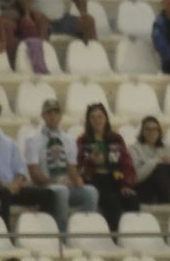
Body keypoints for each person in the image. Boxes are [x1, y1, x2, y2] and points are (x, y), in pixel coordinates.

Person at [22, 97, 100, 229]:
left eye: (56, 112)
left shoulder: (68, 139)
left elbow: (71, 167)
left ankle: (84, 231)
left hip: (64, 184)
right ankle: (61, 235)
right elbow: (34, 171)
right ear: (43, 116)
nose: (53, 116)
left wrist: (76, 180)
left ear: (60, 115)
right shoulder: (33, 139)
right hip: (44, 186)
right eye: (49, 113)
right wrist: (55, 182)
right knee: (62, 191)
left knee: (90, 192)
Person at [75, 103, 139, 231]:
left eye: (100, 117)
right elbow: (78, 164)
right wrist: (91, 162)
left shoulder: (115, 138)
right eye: (93, 117)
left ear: (106, 118)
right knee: (112, 203)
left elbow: (126, 163)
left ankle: (132, 236)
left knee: (132, 200)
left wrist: (126, 184)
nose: (97, 120)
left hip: (115, 178)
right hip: (94, 179)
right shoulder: (83, 140)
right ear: (88, 120)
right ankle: (115, 237)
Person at [127, 115, 170, 211]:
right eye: (148, 129)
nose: (152, 133)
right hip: (144, 187)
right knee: (159, 167)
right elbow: (136, 177)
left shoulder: (166, 147)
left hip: (164, 188)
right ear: (142, 132)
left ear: (159, 132)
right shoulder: (133, 149)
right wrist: (156, 161)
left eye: (155, 129)